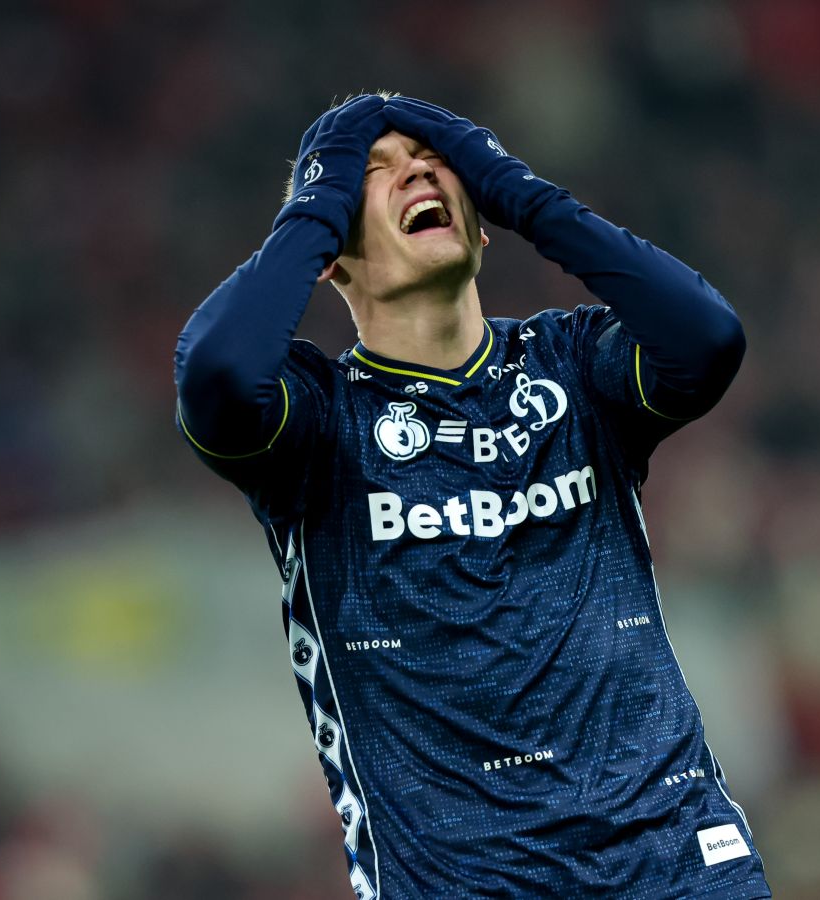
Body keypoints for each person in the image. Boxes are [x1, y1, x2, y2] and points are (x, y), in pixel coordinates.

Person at [173, 92, 771, 899]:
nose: (416, 171)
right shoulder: (317, 422)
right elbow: (217, 374)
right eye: (373, 172)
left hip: (674, 861)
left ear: (483, 221)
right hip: (461, 882)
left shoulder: (572, 365)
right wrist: (312, 210)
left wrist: (524, 194)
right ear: (332, 253)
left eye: (437, 163)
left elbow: (707, 339)